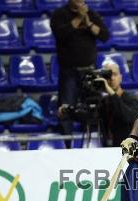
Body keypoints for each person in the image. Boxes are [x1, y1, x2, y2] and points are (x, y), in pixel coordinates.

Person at [50, 0, 109, 136]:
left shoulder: (91, 14)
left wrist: (88, 23)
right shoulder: (60, 14)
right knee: (67, 107)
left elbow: (104, 36)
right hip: (69, 70)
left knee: (92, 108)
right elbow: (61, 35)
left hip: (90, 71)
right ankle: (67, 143)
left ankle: (92, 141)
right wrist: (79, 18)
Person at [97, 62, 138, 147]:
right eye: (108, 75)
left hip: (127, 150)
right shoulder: (104, 101)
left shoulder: (131, 99)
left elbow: (127, 117)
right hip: (107, 149)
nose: (112, 78)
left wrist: (112, 93)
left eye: (115, 74)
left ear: (120, 77)